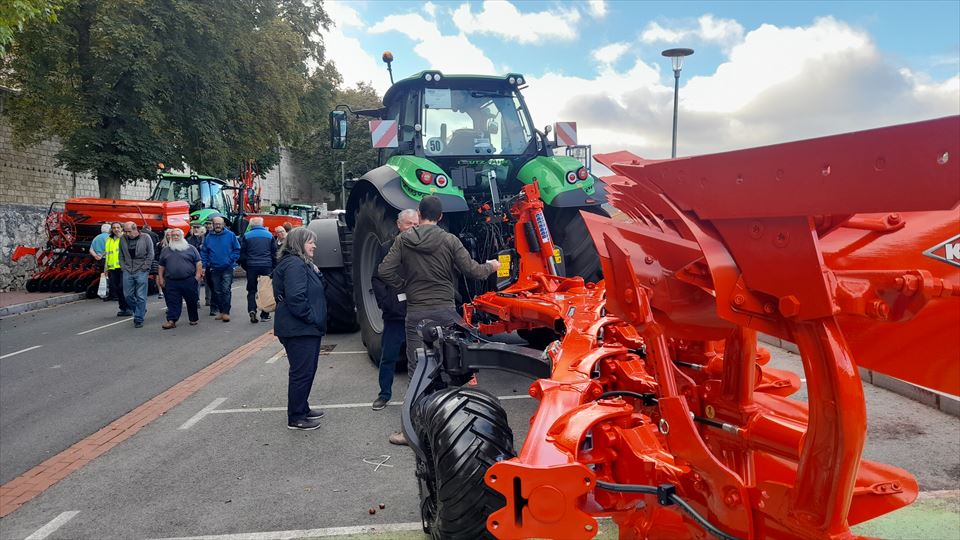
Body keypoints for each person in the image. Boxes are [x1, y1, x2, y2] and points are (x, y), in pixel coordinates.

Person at [378, 196, 499, 444]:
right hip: (445, 310)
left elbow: (384, 270)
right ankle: (454, 428)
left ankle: (408, 433)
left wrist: (405, 286)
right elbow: (473, 270)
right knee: (451, 366)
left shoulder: (403, 240)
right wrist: (492, 266)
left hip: (417, 313)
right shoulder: (449, 239)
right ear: (440, 217)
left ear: (420, 214)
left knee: (416, 371)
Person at [273, 227, 328, 430]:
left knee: (306, 370)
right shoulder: (295, 265)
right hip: (299, 328)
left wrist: (317, 272)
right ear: (298, 244)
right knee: (301, 372)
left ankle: (302, 408)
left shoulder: (302, 264)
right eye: (310, 242)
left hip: (303, 328)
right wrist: (312, 318)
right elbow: (296, 297)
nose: (314, 245)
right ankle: (296, 416)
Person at [370, 209, 418, 411]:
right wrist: (386, 303)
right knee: (388, 356)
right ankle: (384, 394)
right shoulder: (386, 248)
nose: (413, 228)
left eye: (416, 224)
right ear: (399, 225)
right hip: (395, 315)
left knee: (420, 358)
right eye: (409, 224)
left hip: (418, 313)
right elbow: (377, 278)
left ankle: (419, 395)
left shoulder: (422, 248)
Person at [157, 228, 202, 329]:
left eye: (178, 235)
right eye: (173, 236)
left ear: (182, 236)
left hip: (189, 280)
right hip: (171, 281)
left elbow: (198, 263)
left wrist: (197, 277)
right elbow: (161, 266)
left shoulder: (191, 248)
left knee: (192, 301)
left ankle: (193, 318)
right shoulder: (165, 250)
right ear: (170, 237)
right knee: (173, 301)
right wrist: (161, 278)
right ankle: (171, 320)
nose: (175, 237)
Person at [200, 216, 240, 322]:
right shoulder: (209, 237)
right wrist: (205, 265)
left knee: (226, 290)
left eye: (220, 224)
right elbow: (204, 252)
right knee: (217, 291)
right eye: (216, 223)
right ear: (212, 225)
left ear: (223, 225)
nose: (218, 225)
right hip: (214, 268)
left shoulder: (231, 235)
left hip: (227, 268)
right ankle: (221, 311)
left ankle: (226, 312)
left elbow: (237, 250)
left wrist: (230, 260)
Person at [240, 217, 277, 323]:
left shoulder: (247, 236)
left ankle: (252, 310)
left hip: (252, 266)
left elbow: (243, 254)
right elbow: (274, 253)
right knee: (265, 289)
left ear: (251, 225)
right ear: (262, 224)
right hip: (266, 266)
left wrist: (245, 266)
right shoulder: (269, 235)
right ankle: (265, 314)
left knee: (251, 290)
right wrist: (274, 267)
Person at [119, 221, 155, 328]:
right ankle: (141, 309)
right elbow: (121, 254)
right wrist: (123, 266)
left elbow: (150, 253)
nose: (126, 233)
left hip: (141, 270)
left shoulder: (146, 237)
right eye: (125, 231)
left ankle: (139, 318)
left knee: (140, 295)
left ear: (135, 229)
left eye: (128, 231)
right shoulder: (123, 239)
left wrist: (145, 267)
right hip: (128, 270)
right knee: (127, 295)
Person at [187, 222, 214, 312]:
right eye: (194, 227)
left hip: (207, 262)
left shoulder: (207, 238)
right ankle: (196, 300)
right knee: (196, 282)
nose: (195, 229)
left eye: (197, 227)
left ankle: (209, 300)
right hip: (195, 264)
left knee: (209, 282)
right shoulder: (189, 239)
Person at [105, 222, 130, 315]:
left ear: (122, 228)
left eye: (118, 227)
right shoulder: (109, 240)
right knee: (117, 289)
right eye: (114, 228)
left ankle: (129, 307)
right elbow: (107, 255)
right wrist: (106, 269)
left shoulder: (125, 238)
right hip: (113, 268)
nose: (116, 229)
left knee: (123, 287)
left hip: (124, 267)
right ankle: (123, 308)